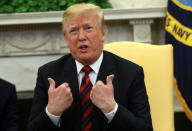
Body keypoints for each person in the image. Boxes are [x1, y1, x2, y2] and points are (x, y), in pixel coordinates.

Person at [28, 3, 153, 131]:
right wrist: (52, 112)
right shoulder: (49, 74)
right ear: (66, 39)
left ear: (103, 33)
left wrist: (111, 108)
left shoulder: (130, 73)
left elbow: (145, 128)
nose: (81, 37)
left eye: (88, 28)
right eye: (73, 30)